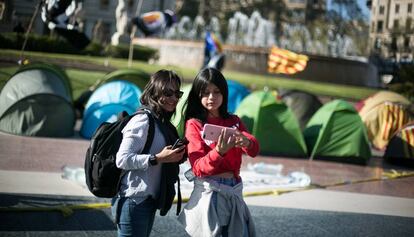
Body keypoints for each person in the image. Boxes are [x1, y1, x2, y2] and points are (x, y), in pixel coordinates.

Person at [178, 67, 259, 236]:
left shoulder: (234, 121)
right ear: (197, 95)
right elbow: (198, 167)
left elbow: (254, 149)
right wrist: (219, 152)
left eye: (217, 92)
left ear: (224, 94)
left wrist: (248, 142)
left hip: (235, 190)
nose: (211, 98)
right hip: (210, 192)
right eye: (205, 93)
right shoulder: (194, 124)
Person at [112, 69, 186, 237]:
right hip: (133, 200)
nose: (174, 98)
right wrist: (157, 158)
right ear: (154, 93)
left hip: (147, 200)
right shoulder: (142, 120)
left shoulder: (162, 123)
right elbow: (122, 159)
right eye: (168, 93)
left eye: (177, 93)